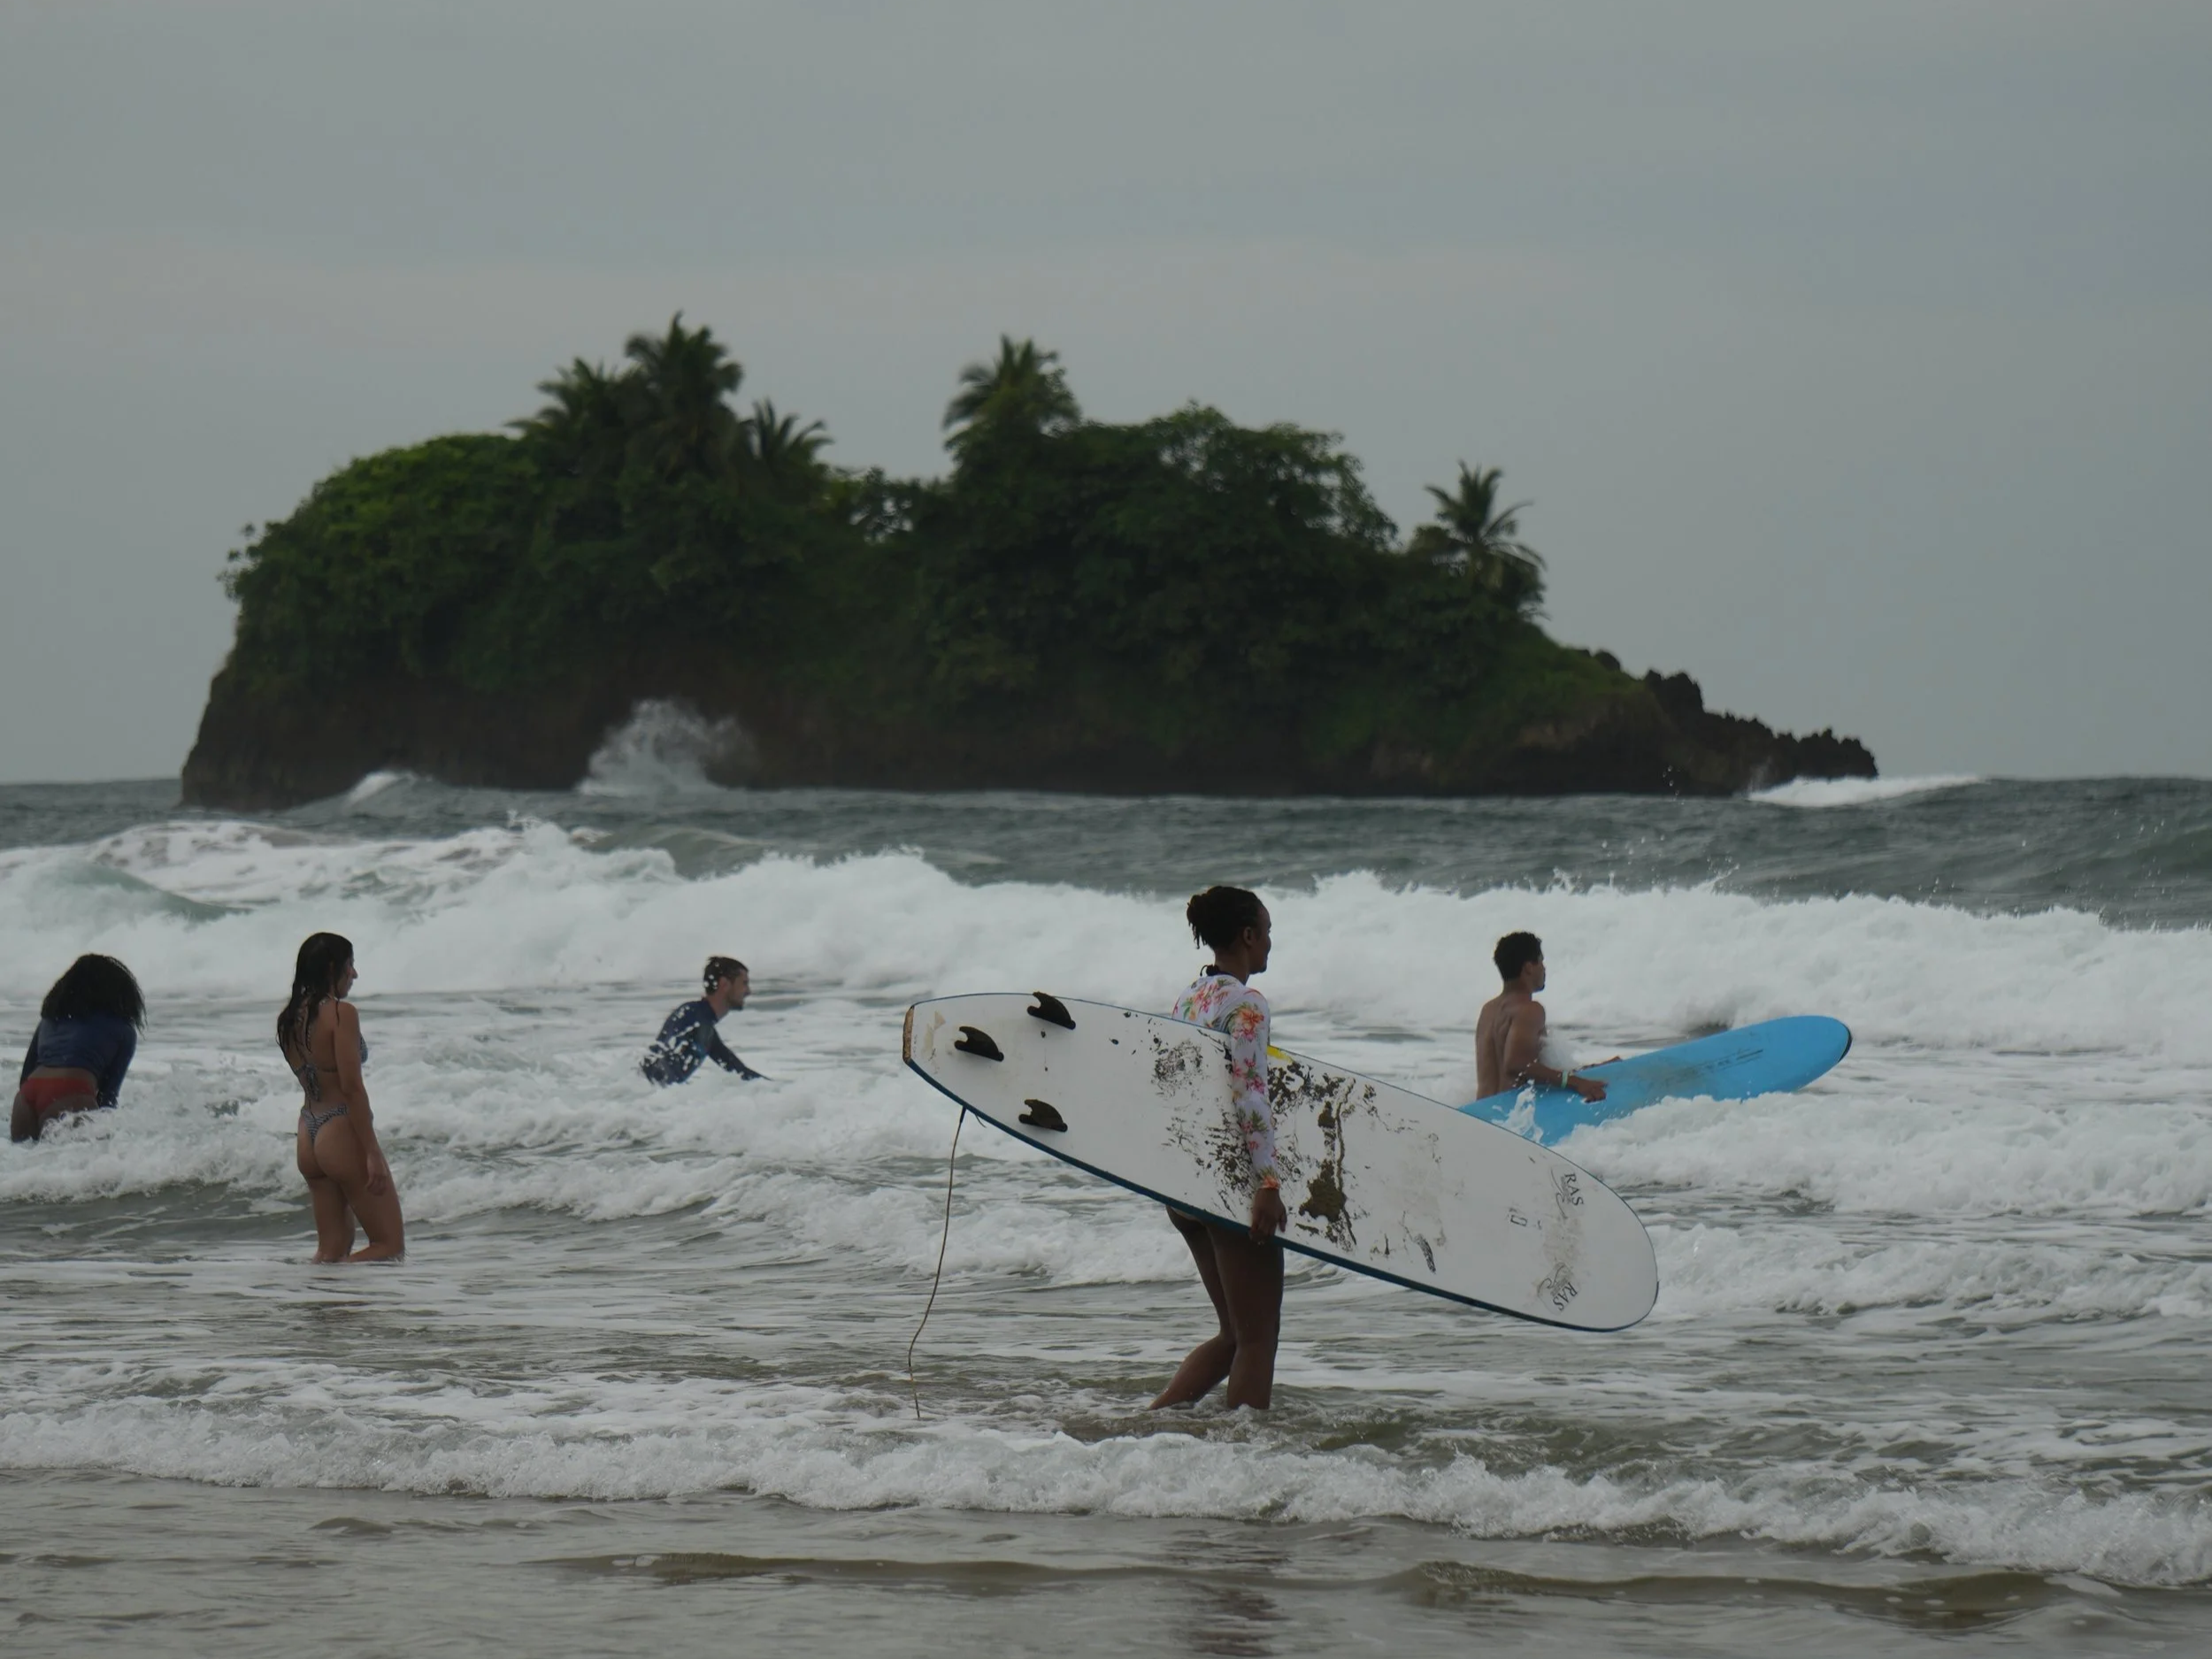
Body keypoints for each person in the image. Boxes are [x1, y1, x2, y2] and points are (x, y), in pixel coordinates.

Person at [1151, 887, 1287, 1412]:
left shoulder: (1190, 998)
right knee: (1258, 1339)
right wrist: (1267, 1184)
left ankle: (1155, 1424)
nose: (1271, 943)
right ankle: (1247, 1459)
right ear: (1248, 936)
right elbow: (1249, 1092)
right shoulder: (1247, 1004)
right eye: (1267, 931)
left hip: (1183, 1185)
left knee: (1233, 1333)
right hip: (1229, 1187)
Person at [280, 933, 403, 1263]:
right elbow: (351, 1088)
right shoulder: (340, 1014)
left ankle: (320, 1310)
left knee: (330, 1251)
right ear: (333, 967)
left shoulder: (289, 1018)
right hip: (339, 1128)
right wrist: (372, 1152)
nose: (355, 974)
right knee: (389, 1247)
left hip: (309, 1131)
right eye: (350, 966)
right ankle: (336, 1310)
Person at [12, 955, 144, 1143]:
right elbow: (108, 1098)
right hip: (72, 1092)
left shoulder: (49, 1020)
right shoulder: (124, 1030)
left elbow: (26, 1075)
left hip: (26, 1096)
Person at [1474, 931, 1609, 1104]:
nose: (1544, 968)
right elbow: (1517, 1064)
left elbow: (1524, 1067)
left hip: (1480, 1112)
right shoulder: (1530, 1009)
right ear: (1529, 967)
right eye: (1541, 961)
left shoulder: (1488, 1010)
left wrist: (1596, 1068)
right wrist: (1577, 1083)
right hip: (1509, 1116)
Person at [641, 956, 764, 1086]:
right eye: (744, 983)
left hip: (642, 1096)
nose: (749, 991)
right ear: (724, 984)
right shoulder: (692, 1017)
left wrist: (780, 1091)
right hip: (641, 1094)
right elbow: (660, 1062)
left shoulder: (704, 1027)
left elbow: (739, 1072)